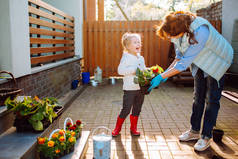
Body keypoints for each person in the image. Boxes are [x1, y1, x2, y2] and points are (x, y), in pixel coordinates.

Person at [148, 11, 233, 151]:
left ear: (180, 30)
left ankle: (206, 136)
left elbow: (182, 65)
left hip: (218, 62)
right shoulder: (179, 31)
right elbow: (178, 58)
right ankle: (194, 131)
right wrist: (164, 75)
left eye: (171, 35)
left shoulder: (201, 30)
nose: (170, 38)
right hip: (200, 62)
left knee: (211, 101)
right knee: (197, 98)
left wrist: (162, 77)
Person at [112, 32, 146, 137]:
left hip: (140, 88)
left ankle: (133, 128)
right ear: (127, 46)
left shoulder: (141, 58)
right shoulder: (126, 57)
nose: (138, 44)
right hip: (130, 89)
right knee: (126, 109)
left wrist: (148, 73)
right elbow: (120, 70)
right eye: (135, 42)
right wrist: (133, 71)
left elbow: (143, 70)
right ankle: (117, 128)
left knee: (137, 109)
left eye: (139, 42)